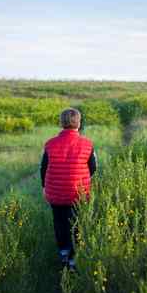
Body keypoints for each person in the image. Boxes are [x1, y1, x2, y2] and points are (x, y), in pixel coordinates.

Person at [40, 108, 96, 271]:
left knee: (59, 223)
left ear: (61, 123)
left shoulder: (50, 144)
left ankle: (63, 254)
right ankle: (73, 259)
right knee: (76, 224)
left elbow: (43, 168)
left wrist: (44, 187)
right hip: (79, 194)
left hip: (55, 194)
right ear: (78, 123)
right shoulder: (87, 144)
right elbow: (93, 168)